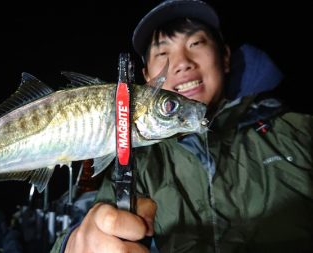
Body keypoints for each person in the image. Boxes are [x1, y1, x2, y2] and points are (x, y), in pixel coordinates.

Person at [51, 0, 313, 252]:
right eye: (163, 53)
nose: (182, 62)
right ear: (147, 79)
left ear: (224, 57)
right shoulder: (139, 161)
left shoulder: (299, 132)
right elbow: (93, 222)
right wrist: (75, 243)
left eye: (196, 43)